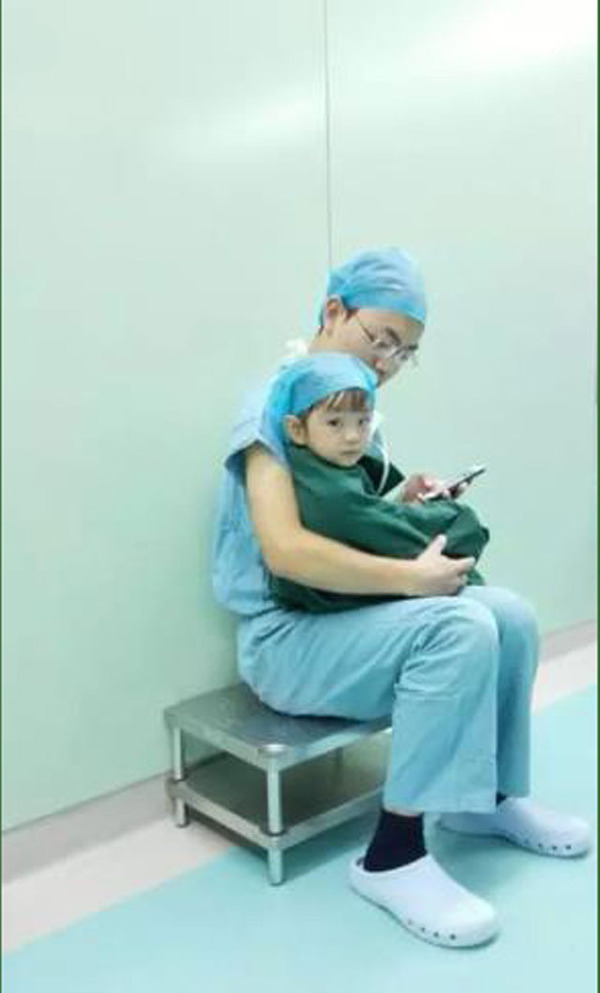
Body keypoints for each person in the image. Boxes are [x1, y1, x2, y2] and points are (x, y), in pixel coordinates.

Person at [211, 248, 591, 949]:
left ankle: (487, 801)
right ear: (334, 311)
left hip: (346, 615)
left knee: (509, 616)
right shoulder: (276, 403)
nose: (388, 361)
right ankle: (391, 855)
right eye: (381, 339)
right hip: (287, 635)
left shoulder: (353, 407)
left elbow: (345, 517)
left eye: (404, 352)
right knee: (457, 627)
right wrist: (414, 578)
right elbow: (286, 549)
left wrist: (401, 500)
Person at [264, 350, 489, 612]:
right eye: (335, 423)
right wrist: (458, 518)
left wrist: (406, 502)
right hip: (338, 605)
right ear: (296, 429)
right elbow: (388, 533)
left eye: (363, 421)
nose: (352, 436)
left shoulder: (317, 467)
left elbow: (367, 527)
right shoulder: (329, 490)